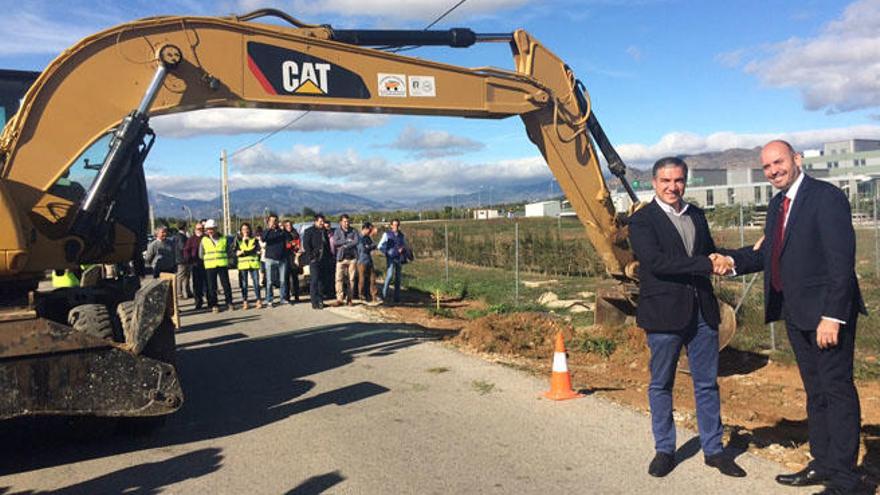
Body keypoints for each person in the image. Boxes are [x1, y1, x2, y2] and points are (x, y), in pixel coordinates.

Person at [717, 141, 866, 494]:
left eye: (778, 162)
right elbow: (769, 254)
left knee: (837, 391)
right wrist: (728, 261)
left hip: (827, 315)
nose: (773, 171)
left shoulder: (825, 197)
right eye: (767, 167)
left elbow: (840, 263)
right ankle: (823, 462)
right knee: (816, 392)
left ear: (796, 160)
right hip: (797, 314)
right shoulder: (777, 205)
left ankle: (846, 480)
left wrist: (833, 316)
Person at [627, 157, 746, 479]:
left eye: (678, 180)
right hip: (664, 315)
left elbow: (708, 252)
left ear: (685, 181)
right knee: (661, 383)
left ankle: (714, 450)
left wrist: (731, 257)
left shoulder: (696, 215)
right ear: (654, 183)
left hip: (703, 314)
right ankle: (665, 449)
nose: (672, 187)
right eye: (665, 181)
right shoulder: (642, 221)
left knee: (706, 384)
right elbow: (657, 263)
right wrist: (706, 264)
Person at [199, 219, 234, 313]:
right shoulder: (204, 240)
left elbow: (229, 252)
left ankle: (229, 302)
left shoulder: (223, 239)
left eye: (212, 229)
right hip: (210, 266)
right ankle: (214, 305)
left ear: (216, 228)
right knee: (212, 287)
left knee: (226, 285)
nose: (210, 231)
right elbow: (201, 254)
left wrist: (229, 261)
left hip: (222, 264)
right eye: (208, 229)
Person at [261, 214, 290, 308]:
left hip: (282, 259)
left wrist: (284, 228)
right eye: (272, 221)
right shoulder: (267, 232)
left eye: (275, 221)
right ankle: (269, 300)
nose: (274, 223)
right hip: (270, 259)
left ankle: (283, 298)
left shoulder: (281, 232)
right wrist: (269, 228)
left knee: (282, 280)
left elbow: (290, 237)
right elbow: (263, 238)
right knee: (269, 281)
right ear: (268, 222)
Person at [302, 214, 331, 309]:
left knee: (322, 281)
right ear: (315, 221)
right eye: (320, 221)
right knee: (314, 280)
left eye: (323, 221)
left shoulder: (324, 231)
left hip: (324, 259)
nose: (322, 223)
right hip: (314, 259)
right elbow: (306, 245)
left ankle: (320, 300)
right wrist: (311, 257)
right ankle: (314, 302)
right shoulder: (309, 231)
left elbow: (327, 245)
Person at [377, 219, 407, 304]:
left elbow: (404, 244)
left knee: (398, 277)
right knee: (389, 275)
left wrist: (403, 249)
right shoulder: (387, 234)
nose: (395, 227)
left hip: (399, 258)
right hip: (390, 257)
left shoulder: (401, 235)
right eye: (394, 225)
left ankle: (396, 298)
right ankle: (384, 295)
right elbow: (380, 246)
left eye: (397, 225)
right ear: (391, 225)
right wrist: (387, 252)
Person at [332, 214, 360, 305]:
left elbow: (356, 241)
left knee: (351, 279)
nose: (347, 223)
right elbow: (335, 242)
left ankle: (349, 298)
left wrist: (346, 245)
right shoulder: (337, 231)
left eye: (348, 221)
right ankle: (339, 298)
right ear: (341, 222)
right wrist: (347, 241)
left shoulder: (354, 231)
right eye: (344, 221)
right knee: (339, 278)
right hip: (341, 258)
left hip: (352, 258)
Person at [235, 223, 263, 310]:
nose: (245, 231)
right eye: (243, 229)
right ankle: (245, 301)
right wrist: (249, 251)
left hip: (253, 264)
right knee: (244, 284)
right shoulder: (238, 240)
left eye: (247, 229)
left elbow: (258, 251)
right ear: (240, 231)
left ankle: (258, 300)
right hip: (243, 265)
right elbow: (236, 253)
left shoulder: (254, 239)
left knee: (256, 283)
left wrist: (243, 252)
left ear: (249, 230)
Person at [184, 221, 206, 310]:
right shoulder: (191, 239)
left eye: (201, 229)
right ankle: (198, 302)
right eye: (198, 229)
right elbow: (186, 250)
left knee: (208, 284)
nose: (200, 230)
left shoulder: (206, 238)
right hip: (195, 264)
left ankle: (211, 301)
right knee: (197, 285)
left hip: (206, 264)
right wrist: (188, 259)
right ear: (195, 230)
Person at [356, 222, 380, 303]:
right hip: (361, 261)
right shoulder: (359, 237)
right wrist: (370, 247)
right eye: (369, 229)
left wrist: (370, 246)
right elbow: (364, 249)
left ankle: (374, 296)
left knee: (373, 279)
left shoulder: (367, 238)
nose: (370, 231)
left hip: (369, 260)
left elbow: (372, 246)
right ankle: (361, 295)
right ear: (365, 229)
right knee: (362, 279)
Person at [283, 220, 302, 303]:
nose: (289, 226)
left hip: (294, 257)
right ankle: (287, 296)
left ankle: (296, 295)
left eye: (290, 225)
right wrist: (291, 244)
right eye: (287, 225)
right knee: (286, 278)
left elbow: (298, 244)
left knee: (295, 278)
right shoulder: (283, 234)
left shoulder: (295, 233)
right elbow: (285, 245)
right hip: (285, 257)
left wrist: (293, 245)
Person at [173, 222, 193, 299]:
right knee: (181, 277)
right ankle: (179, 293)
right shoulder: (181, 236)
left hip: (184, 259)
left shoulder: (180, 236)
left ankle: (188, 291)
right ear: (185, 227)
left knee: (187, 276)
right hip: (182, 259)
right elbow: (182, 247)